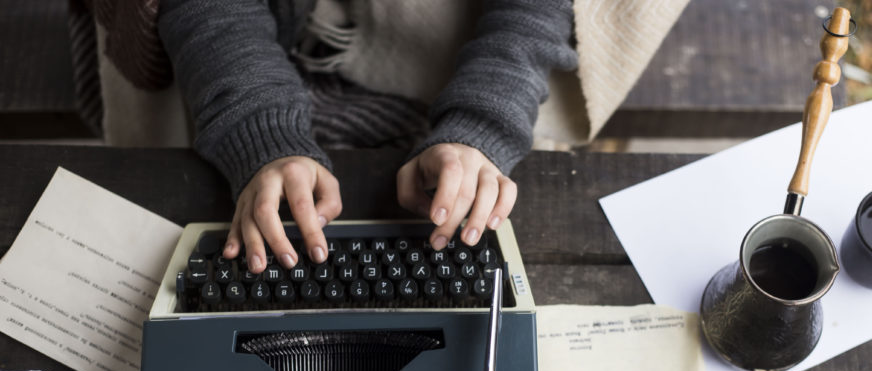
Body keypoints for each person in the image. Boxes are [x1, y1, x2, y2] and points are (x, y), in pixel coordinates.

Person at [156, 0, 578, 274]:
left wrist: (482, 125)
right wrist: (260, 133)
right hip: (250, 74)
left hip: (460, 77)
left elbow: (531, 13)